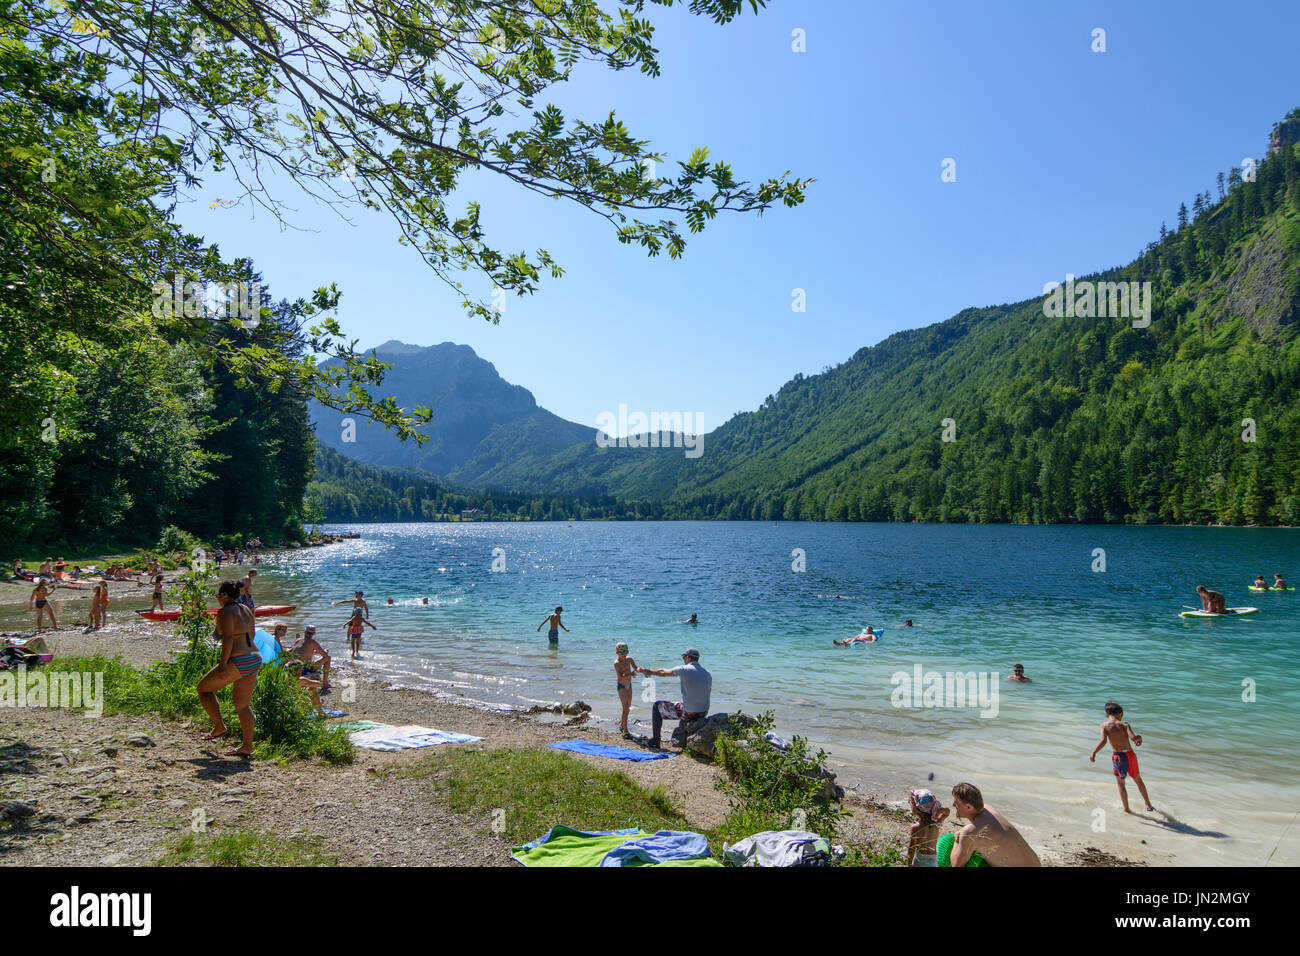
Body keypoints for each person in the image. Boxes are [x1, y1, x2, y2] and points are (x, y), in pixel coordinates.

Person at [196, 581, 261, 756]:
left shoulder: (225, 612)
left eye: (218, 595)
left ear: (224, 595)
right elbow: (253, 633)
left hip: (238, 660)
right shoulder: (246, 609)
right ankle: (247, 746)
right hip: (254, 657)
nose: (217, 598)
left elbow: (228, 639)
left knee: (203, 689)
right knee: (242, 705)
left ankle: (219, 726)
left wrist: (224, 664)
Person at [949, 783, 1041, 866]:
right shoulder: (988, 809)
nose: (953, 804)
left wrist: (957, 840)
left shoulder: (969, 833)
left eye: (956, 802)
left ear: (969, 807)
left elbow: (955, 865)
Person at [636, 648, 711, 750]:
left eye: (683, 657)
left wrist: (649, 672)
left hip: (689, 713)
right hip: (703, 712)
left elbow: (663, 672)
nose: (683, 659)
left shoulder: (685, 669)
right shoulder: (707, 673)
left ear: (688, 657)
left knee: (657, 706)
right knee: (683, 702)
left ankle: (655, 741)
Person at [1089, 701, 1153, 813]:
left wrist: (1094, 752)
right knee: (1138, 780)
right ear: (1119, 714)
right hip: (1130, 755)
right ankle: (1148, 805)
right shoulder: (1125, 725)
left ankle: (1126, 809)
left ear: (1106, 714)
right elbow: (1133, 738)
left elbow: (1103, 741)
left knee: (1121, 783)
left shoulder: (1104, 726)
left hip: (1118, 757)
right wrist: (1139, 738)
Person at [907, 789, 950, 867]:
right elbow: (947, 813)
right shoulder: (936, 823)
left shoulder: (916, 828)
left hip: (920, 859)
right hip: (933, 860)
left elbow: (911, 849)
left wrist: (909, 865)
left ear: (915, 808)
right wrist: (940, 810)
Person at [291, 624, 332, 691]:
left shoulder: (298, 640)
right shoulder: (312, 642)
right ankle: (325, 683)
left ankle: (324, 683)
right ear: (313, 633)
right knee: (328, 658)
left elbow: (306, 652)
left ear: (304, 632)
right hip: (303, 669)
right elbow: (324, 655)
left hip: (293, 667)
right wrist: (325, 651)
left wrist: (317, 652)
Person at [614, 642, 637, 738]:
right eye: (622, 652)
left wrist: (642, 670)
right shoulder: (617, 664)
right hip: (622, 686)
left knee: (629, 706)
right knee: (625, 707)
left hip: (629, 685)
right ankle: (625, 731)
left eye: (626, 652)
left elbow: (635, 667)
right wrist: (630, 674)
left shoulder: (629, 659)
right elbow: (621, 676)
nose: (624, 654)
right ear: (617, 652)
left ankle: (622, 724)